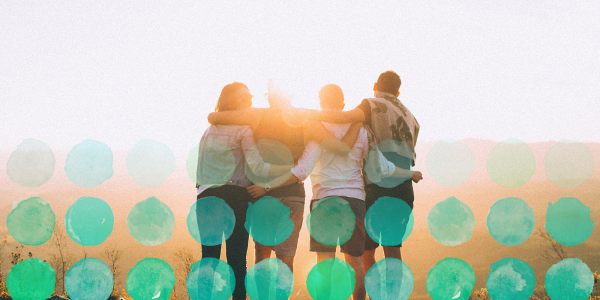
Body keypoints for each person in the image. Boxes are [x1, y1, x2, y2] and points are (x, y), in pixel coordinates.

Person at [207, 79, 361, 273]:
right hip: (292, 195)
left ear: (270, 95)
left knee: (262, 257)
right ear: (291, 94)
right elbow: (342, 148)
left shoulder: (256, 115)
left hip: (262, 196)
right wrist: (357, 120)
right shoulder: (307, 118)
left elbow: (213, 117)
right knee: (285, 261)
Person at [307, 71, 423, 276]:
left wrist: (305, 114)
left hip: (377, 187)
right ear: (397, 92)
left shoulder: (372, 105)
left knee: (366, 252)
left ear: (375, 85)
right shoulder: (411, 116)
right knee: (393, 249)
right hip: (404, 186)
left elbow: (343, 117)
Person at [195, 82, 292, 300]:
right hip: (235, 196)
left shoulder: (208, 131)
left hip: (206, 197)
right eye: (244, 97)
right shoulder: (243, 130)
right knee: (237, 258)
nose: (249, 101)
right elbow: (257, 167)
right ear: (230, 100)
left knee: (208, 258)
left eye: (250, 97)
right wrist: (288, 168)